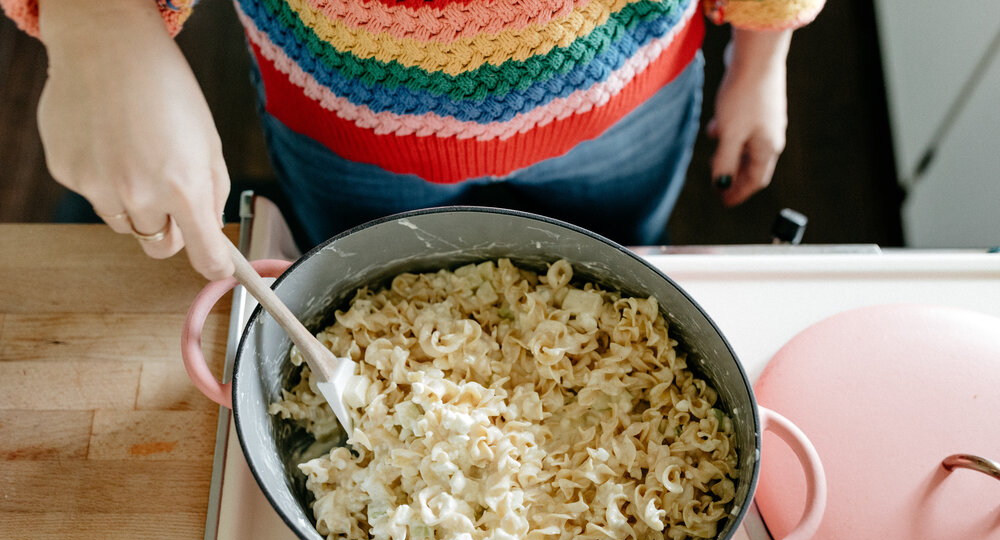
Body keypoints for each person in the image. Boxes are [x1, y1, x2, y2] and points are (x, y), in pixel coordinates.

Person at [2, 0, 823, 280]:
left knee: (610, 269)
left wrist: (765, 47)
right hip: (342, 122)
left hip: (622, 111)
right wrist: (101, 20)